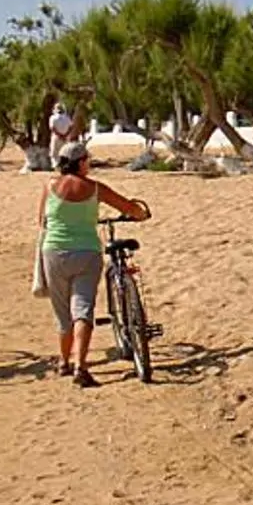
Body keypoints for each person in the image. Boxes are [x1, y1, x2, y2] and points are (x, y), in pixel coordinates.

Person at [38, 142, 147, 388]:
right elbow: (128, 207)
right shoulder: (95, 188)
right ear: (80, 162)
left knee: (62, 312)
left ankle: (64, 362)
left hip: (54, 253)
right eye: (87, 159)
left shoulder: (50, 186)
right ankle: (81, 366)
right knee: (83, 309)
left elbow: (41, 221)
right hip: (87, 253)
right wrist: (141, 214)